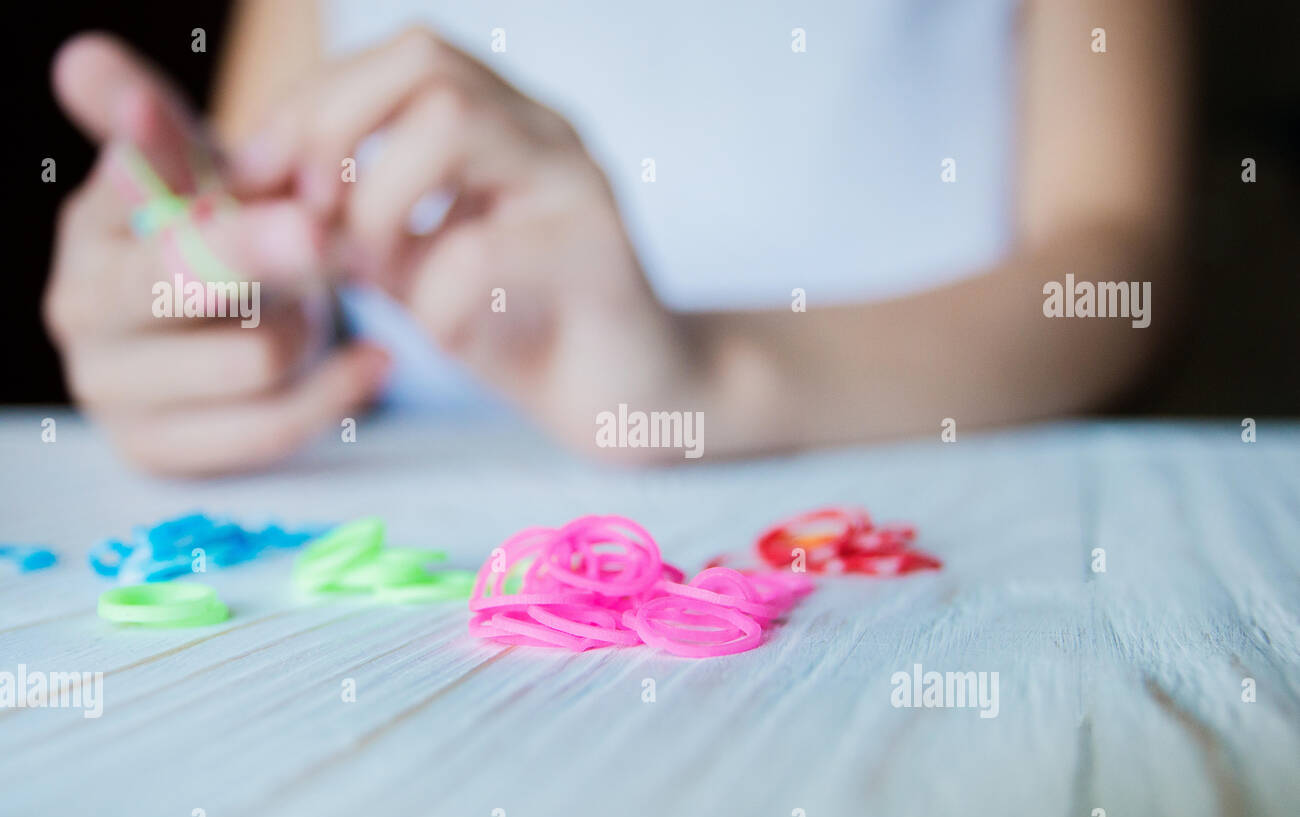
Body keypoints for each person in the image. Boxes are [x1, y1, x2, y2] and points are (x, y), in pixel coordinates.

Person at [42, 0, 1187, 474]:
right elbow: (250, 216)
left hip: (962, 515)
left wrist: (713, 379)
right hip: (393, 556)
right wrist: (200, 303)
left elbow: (1113, 260)